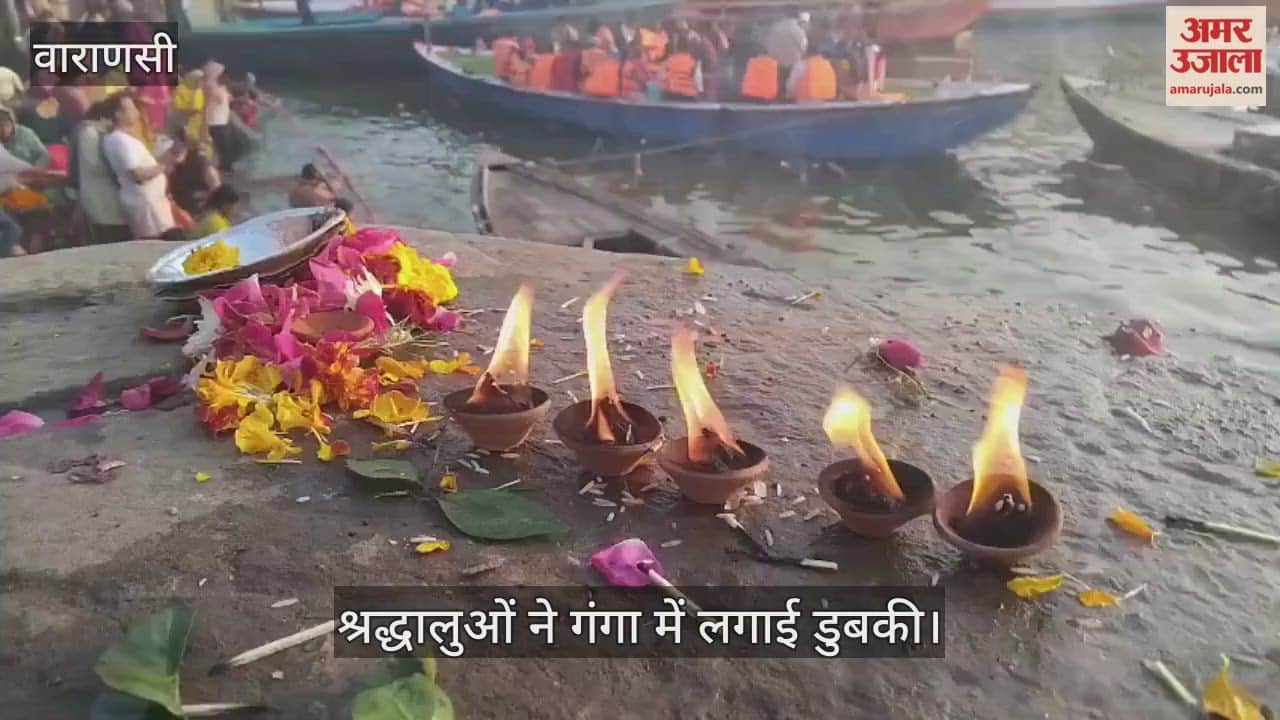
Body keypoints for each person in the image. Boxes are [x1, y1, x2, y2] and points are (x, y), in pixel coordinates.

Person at [100, 93, 186, 240]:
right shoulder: (120, 140)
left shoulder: (124, 138)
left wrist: (169, 156)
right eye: (131, 108)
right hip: (147, 206)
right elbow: (137, 175)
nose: (137, 112)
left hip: (154, 204)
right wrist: (164, 165)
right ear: (118, 114)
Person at [70, 99, 129, 245]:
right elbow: (95, 165)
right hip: (101, 196)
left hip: (104, 195)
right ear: (103, 118)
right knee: (110, 237)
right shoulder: (89, 132)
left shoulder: (91, 131)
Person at [168, 129, 220, 216]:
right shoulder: (175, 163)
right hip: (182, 207)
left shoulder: (202, 163)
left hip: (200, 210)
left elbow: (216, 186)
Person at [203, 62, 237, 172]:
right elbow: (205, 106)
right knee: (222, 149)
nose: (226, 76)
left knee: (226, 149)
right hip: (215, 123)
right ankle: (224, 170)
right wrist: (204, 125)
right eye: (223, 74)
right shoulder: (210, 87)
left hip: (223, 122)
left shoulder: (222, 87)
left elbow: (229, 100)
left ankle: (226, 169)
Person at [766, 7, 809, 92]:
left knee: (778, 90)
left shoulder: (775, 28)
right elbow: (803, 47)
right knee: (790, 90)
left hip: (776, 66)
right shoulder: (797, 30)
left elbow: (768, 45)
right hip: (793, 66)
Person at [661, 33, 701, 101]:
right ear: (689, 47)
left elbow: (662, 78)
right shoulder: (694, 62)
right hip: (688, 97)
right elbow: (698, 83)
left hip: (670, 95)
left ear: (676, 46)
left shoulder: (668, 61)